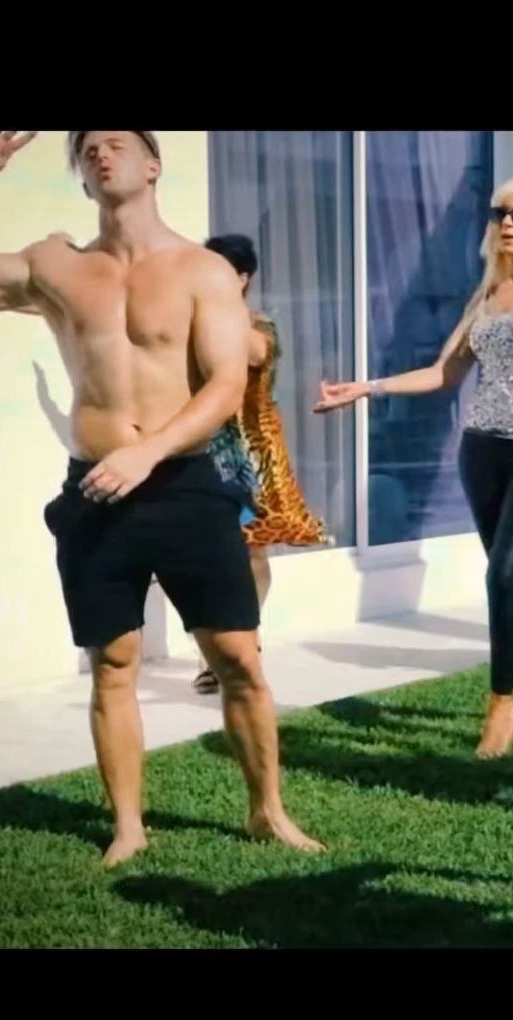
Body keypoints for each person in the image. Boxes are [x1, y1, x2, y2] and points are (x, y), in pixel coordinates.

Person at [0, 130, 322, 866]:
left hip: (186, 485)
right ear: (81, 176)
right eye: (88, 149)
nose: (101, 153)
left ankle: (268, 811)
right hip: (98, 489)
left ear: (153, 164)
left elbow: (227, 383)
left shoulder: (202, 270)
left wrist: (148, 450)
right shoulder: (56, 267)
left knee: (238, 658)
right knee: (114, 662)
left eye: (117, 142)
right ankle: (129, 827)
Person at [315, 178, 513, 758]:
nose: (507, 223)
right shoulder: (486, 294)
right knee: (510, 578)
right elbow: (443, 373)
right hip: (481, 450)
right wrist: (367, 388)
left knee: (503, 572)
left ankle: (501, 702)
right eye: (499, 213)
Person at [189, 233, 329, 694]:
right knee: (206, 553)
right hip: (204, 448)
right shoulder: (193, 319)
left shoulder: (260, 326)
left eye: (216, 271)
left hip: (252, 452)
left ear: (242, 278)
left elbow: (253, 352)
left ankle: (246, 637)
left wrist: (214, 308)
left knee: (251, 551)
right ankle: (216, 652)